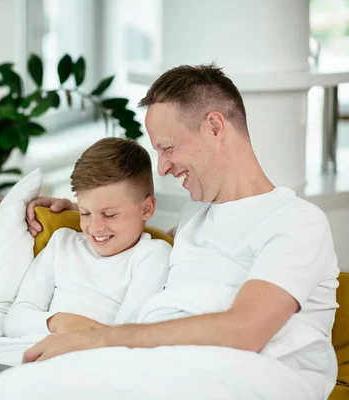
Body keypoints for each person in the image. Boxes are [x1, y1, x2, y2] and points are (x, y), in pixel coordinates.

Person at [22, 64, 340, 397]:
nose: (162, 167)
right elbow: (138, 236)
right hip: (164, 371)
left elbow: (245, 331)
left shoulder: (296, 221)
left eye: (168, 148)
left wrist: (98, 339)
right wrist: (89, 214)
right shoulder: (195, 214)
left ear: (214, 127)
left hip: (240, 381)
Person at [3, 138, 171, 338]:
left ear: (146, 208)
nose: (95, 227)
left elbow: (127, 334)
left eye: (109, 215)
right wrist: (57, 321)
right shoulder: (62, 243)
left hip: (93, 359)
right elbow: (13, 321)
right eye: (85, 213)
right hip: (30, 349)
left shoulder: (152, 255)